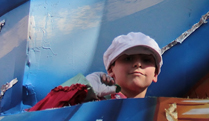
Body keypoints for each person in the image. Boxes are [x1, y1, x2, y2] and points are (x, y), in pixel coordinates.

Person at [29, 32, 162, 111]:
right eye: (127, 58)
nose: (137, 64)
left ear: (155, 74)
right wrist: (82, 88)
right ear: (111, 69)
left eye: (146, 60)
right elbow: (33, 120)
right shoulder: (86, 104)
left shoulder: (160, 112)